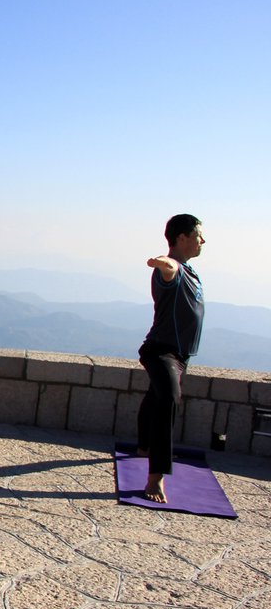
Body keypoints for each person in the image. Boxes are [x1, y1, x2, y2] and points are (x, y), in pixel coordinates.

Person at [137, 213, 205, 503]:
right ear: (181, 238)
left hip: (179, 354)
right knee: (169, 400)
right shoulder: (174, 268)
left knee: (156, 396)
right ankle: (156, 477)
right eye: (198, 235)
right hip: (161, 351)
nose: (203, 240)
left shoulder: (189, 270)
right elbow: (169, 267)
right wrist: (159, 262)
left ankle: (143, 446)